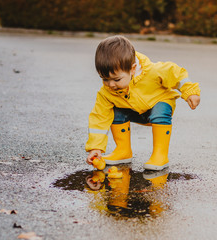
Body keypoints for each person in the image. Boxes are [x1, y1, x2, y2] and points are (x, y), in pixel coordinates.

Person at [85, 35, 200, 170]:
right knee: (112, 109)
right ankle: (123, 150)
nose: (110, 84)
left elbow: (177, 74)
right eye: (104, 79)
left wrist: (190, 91)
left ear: (133, 69)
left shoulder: (153, 71)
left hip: (158, 107)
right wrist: (96, 147)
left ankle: (160, 155)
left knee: (161, 109)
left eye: (116, 80)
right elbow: (99, 118)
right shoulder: (106, 93)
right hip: (136, 111)